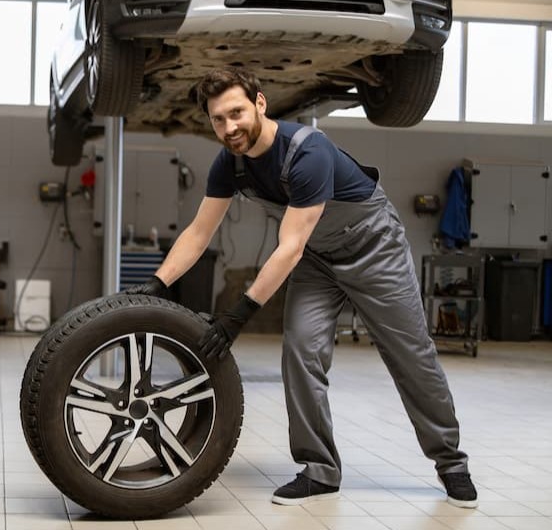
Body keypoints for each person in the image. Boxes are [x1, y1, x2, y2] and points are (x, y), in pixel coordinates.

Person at [125, 67, 476, 508]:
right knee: (301, 352)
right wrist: (157, 283)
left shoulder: (307, 153)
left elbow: (288, 247)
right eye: (218, 119)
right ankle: (320, 470)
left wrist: (239, 315)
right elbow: (199, 233)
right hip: (317, 259)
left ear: (260, 103)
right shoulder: (229, 165)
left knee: (412, 356)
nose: (230, 127)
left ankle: (451, 463)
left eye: (236, 113)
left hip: (374, 250)